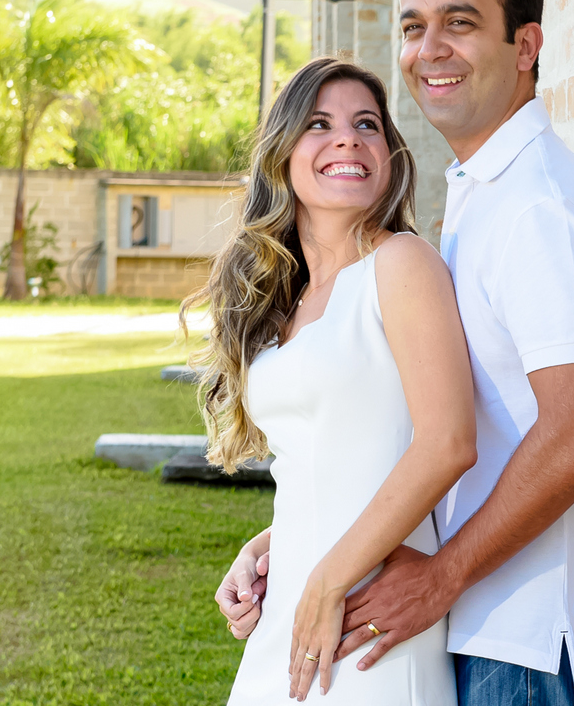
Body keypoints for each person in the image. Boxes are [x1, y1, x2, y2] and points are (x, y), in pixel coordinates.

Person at [226, 0, 574, 706]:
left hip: (529, 636)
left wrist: (440, 575)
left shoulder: (536, 209)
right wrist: (296, 539)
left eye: (460, 21)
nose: (430, 48)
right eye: (414, 27)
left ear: (526, 45)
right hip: (468, 615)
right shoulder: (482, 198)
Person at [193, 57, 476, 704]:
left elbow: (447, 441)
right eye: (320, 123)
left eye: (366, 124)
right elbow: (327, 464)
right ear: (284, 153)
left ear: (389, 155)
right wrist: (262, 551)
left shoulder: (402, 263)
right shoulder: (283, 299)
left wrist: (326, 583)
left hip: (365, 618)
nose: (347, 138)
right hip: (293, 607)